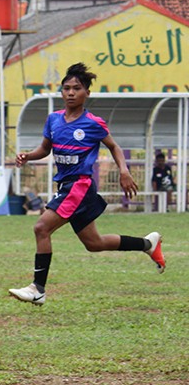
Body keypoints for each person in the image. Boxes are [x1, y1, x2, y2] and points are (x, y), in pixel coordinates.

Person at [10, 62, 165, 306]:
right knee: (95, 243)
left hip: (79, 186)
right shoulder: (53, 120)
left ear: (86, 93)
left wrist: (124, 171)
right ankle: (148, 244)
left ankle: (37, 289)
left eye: (77, 88)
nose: (70, 93)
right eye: (66, 88)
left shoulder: (93, 123)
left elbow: (113, 146)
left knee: (41, 228)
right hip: (66, 186)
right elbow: (44, 149)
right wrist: (28, 155)